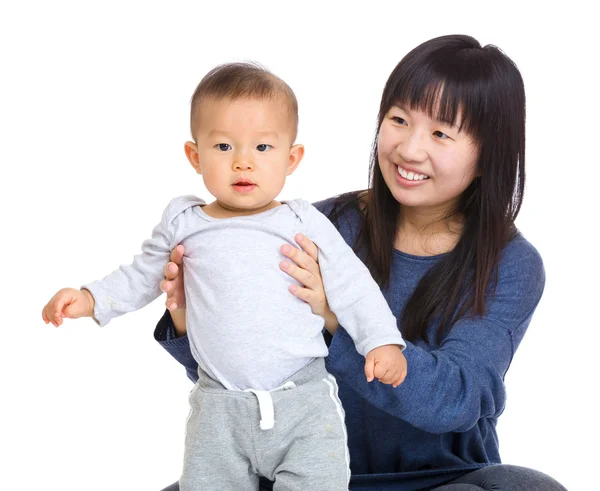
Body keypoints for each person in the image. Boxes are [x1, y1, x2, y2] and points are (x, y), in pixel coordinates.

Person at [155, 35, 567, 490]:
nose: (409, 149)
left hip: (442, 481)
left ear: (489, 153)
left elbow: (454, 399)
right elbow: (244, 383)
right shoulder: (318, 225)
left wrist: (335, 324)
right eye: (399, 120)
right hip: (306, 473)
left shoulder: (510, 264)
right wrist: (189, 322)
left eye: (440, 133)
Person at [41, 62, 408, 491]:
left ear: (292, 159)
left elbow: (352, 283)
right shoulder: (184, 222)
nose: (243, 163)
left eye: (263, 148)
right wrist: (90, 298)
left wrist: (381, 341)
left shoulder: (303, 221)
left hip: (303, 402)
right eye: (223, 147)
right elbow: (141, 274)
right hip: (218, 407)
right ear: (195, 156)